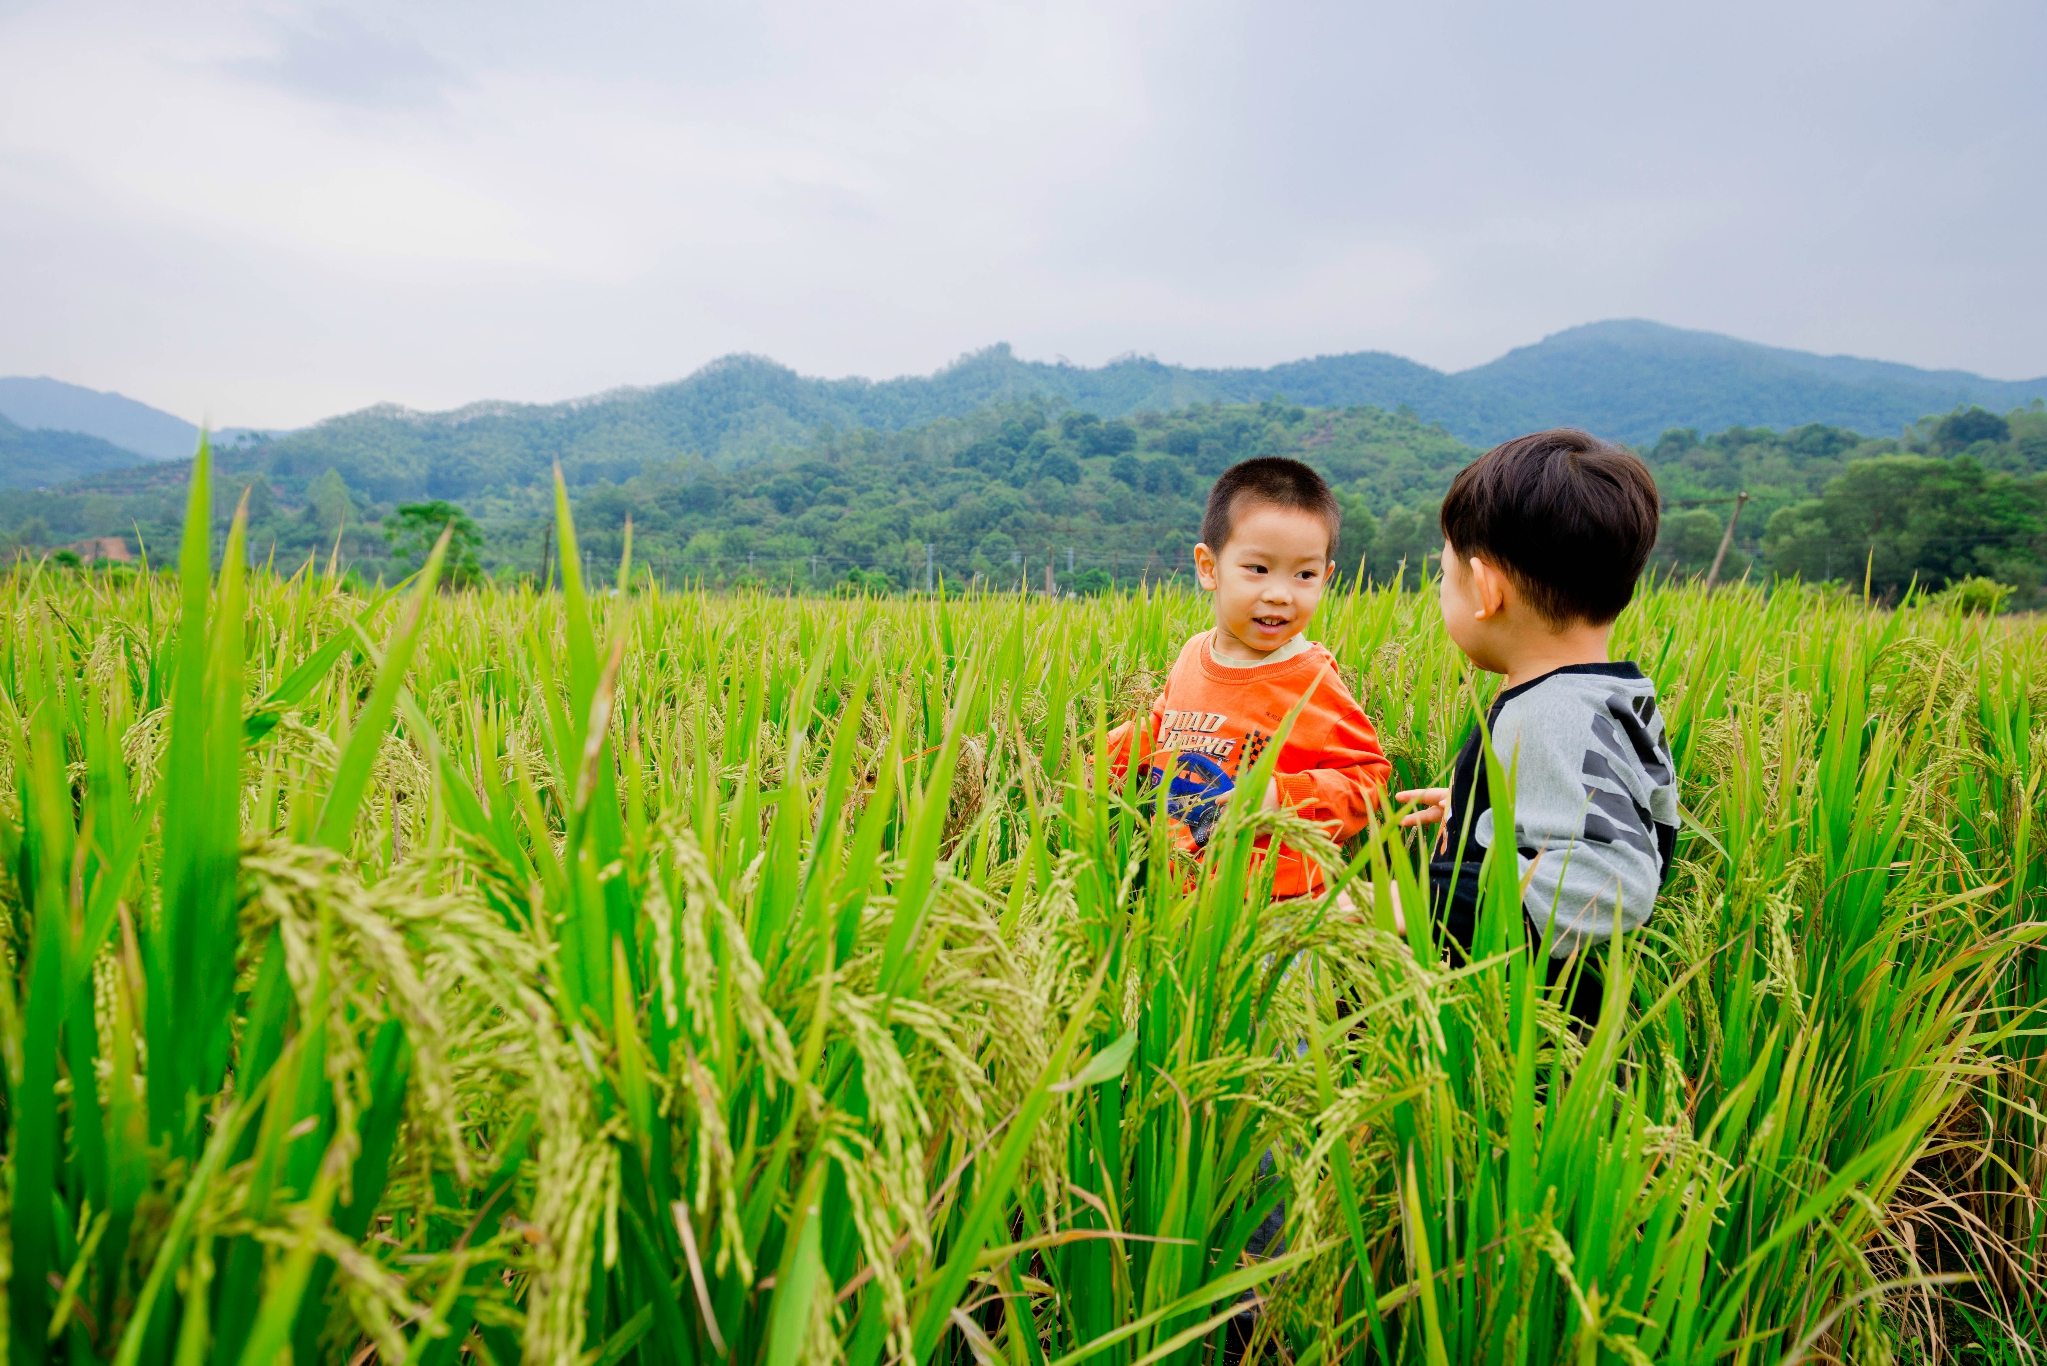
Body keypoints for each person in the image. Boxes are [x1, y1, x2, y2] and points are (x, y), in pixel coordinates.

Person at [1397, 428, 1677, 1024]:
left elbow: (1618, 875)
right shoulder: (1607, 695)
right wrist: (1481, 809)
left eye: (1444, 577)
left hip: (1532, 1037)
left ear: (1487, 590)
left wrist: (1400, 903)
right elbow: (1619, 811)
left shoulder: (1549, 715)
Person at [1105, 456, 1392, 901]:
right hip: (1180, 894)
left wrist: (1281, 795)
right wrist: (1093, 761)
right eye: (1258, 569)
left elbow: (1368, 778)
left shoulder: (1311, 680)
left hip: (1275, 905)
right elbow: (1162, 728)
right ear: (1208, 567)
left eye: (1304, 575)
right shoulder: (1192, 654)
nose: (1279, 593)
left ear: (1326, 578)